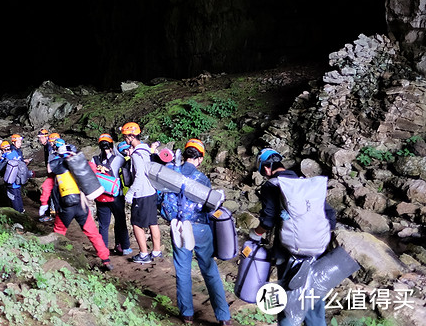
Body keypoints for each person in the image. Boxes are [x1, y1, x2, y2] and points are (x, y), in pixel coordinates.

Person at [248, 148, 337, 326]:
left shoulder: (271, 185)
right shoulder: (303, 184)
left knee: (289, 298)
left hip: (287, 253)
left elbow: (268, 220)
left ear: (266, 169)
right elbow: (330, 214)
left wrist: (255, 235)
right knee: (312, 297)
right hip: (315, 251)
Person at [159, 139, 231, 326]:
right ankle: (223, 317)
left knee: (183, 270)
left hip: (178, 226)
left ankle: (187, 314)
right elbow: (208, 207)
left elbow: (161, 198)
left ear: (185, 155)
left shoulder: (171, 173)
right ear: (199, 159)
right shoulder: (202, 179)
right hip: (199, 228)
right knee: (209, 270)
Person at [48, 140, 113, 270]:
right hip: (82, 205)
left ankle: (53, 253)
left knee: (59, 231)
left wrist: (45, 204)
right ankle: (105, 259)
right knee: (93, 233)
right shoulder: (81, 165)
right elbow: (93, 171)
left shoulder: (57, 169)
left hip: (65, 207)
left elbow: (47, 187)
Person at [121, 122, 163, 263]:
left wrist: (131, 192)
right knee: (152, 222)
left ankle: (144, 254)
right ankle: (156, 251)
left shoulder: (137, 155)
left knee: (136, 224)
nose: (125, 140)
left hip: (142, 193)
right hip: (152, 192)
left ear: (131, 136)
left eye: (126, 137)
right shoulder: (147, 150)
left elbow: (139, 175)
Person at [92, 133, 132, 256]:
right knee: (120, 222)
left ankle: (103, 250)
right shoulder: (118, 159)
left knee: (103, 225)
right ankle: (123, 247)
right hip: (116, 196)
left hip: (101, 196)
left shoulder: (94, 160)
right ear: (111, 145)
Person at [0, 134, 28, 213]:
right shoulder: (15, 153)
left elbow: (0, 168)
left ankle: (16, 213)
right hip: (18, 179)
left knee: (12, 197)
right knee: (18, 195)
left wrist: (2, 159)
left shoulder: (6, 156)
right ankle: (21, 210)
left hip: (11, 181)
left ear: (3, 150)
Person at [36, 129, 59, 222]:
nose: (40, 140)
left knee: (53, 193)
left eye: (41, 137)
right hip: (54, 174)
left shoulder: (50, 147)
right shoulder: (47, 146)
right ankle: (53, 212)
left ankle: (52, 213)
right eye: (39, 138)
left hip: (54, 174)